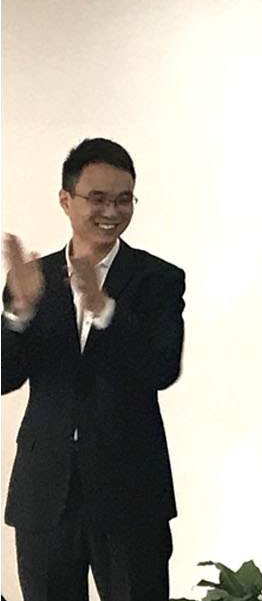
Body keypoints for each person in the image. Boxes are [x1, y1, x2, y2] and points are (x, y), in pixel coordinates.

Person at [3, 138, 185, 601]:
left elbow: (161, 368)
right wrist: (18, 313)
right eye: (98, 198)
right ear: (66, 200)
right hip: (45, 492)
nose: (111, 211)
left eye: (124, 199)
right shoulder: (33, 278)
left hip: (131, 492)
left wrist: (105, 309)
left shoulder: (158, 279)